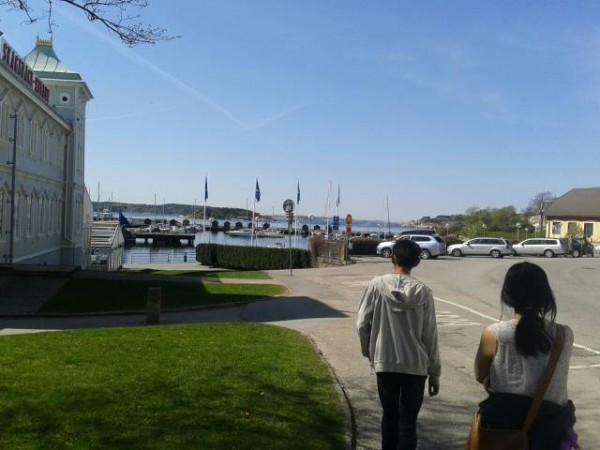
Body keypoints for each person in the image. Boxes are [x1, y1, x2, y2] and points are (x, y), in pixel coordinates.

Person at [473, 262, 576, 449]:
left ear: (507, 296)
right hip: (551, 430)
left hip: (503, 428)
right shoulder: (564, 334)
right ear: (545, 295)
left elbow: (480, 375)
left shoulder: (494, 333)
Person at [357, 239, 441, 450]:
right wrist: (435, 373)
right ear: (416, 262)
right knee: (408, 422)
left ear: (392, 257)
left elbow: (361, 324)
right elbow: (430, 334)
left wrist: (369, 351)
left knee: (390, 416)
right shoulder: (424, 292)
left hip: (385, 362)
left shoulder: (376, 285)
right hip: (416, 365)